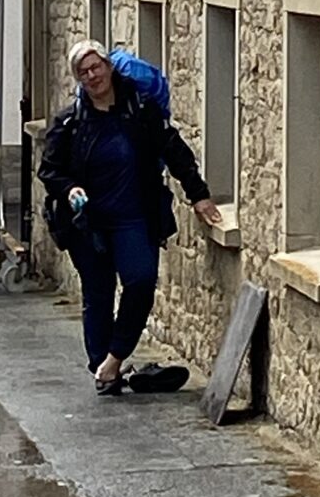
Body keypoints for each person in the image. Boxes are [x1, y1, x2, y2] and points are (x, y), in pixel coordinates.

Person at [38, 39, 222, 395]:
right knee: (98, 294)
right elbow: (50, 170)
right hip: (87, 223)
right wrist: (69, 189)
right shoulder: (71, 121)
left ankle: (115, 357)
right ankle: (103, 370)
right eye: (83, 72)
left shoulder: (140, 109)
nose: (92, 76)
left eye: (96, 67)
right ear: (78, 79)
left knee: (139, 282)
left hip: (134, 217)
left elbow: (174, 151)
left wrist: (198, 195)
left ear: (108, 67)